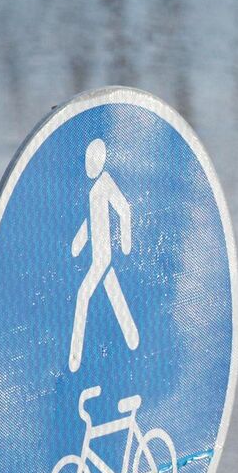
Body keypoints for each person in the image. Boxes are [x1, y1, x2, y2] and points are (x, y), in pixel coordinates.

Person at [68, 137, 140, 372]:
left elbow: (124, 209)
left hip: (103, 255)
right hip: (97, 255)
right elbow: (91, 221)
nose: (88, 167)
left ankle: (74, 358)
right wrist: (78, 243)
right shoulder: (92, 191)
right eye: (87, 163)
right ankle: (132, 337)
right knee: (114, 293)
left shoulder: (106, 182)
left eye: (92, 162)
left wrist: (126, 242)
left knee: (83, 294)